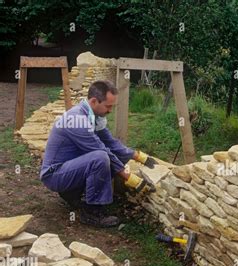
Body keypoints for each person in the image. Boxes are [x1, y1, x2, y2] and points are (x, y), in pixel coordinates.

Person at [40, 80, 157, 228]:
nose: (110, 110)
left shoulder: (94, 117)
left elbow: (110, 142)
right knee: (100, 158)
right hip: (55, 175)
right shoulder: (77, 120)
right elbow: (101, 150)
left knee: (112, 156)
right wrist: (131, 178)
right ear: (94, 101)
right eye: (108, 106)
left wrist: (139, 156)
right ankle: (92, 213)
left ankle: (72, 194)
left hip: (68, 168)